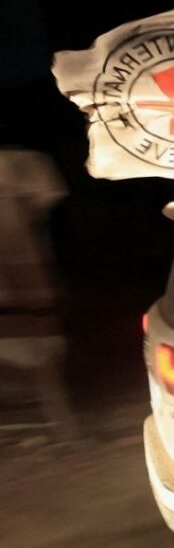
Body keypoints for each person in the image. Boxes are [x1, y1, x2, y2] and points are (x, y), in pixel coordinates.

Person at [0, 144, 79, 441]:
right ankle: (61, 422)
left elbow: (46, 207)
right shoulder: (23, 163)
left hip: (25, 273)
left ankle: (63, 423)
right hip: (22, 273)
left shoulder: (24, 162)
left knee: (38, 347)